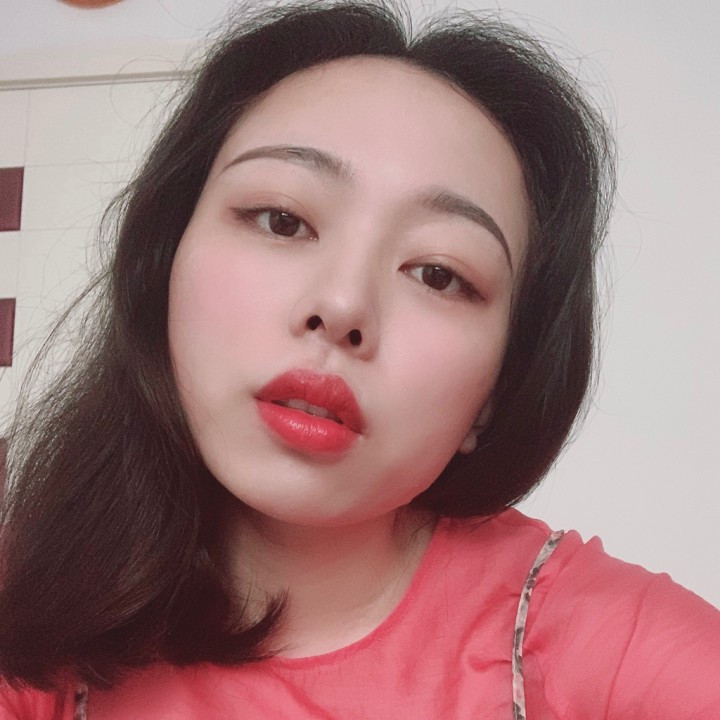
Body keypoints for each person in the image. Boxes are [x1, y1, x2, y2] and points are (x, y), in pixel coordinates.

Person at [1, 1, 719, 717]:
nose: (343, 305)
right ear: (162, 268)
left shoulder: (605, 648)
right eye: (283, 220)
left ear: (498, 389)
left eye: (438, 273)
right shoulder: (34, 625)